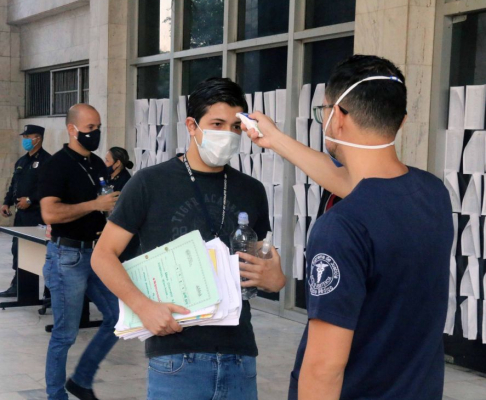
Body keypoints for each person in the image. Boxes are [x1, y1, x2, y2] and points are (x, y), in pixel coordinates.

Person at [245, 55, 453, 400]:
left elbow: (324, 369)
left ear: (337, 117)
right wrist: (276, 139)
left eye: (324, 111)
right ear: (400, 122)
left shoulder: (342, 227)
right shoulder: (432, 193)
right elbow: (350, 181)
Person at [91, 77, 286, 400]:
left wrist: (275, 280)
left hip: (240, 354)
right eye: (217, 124)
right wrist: (143, 306)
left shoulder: (252, 190)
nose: (228, 134)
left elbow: (262, 266)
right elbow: (103, 255)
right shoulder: (149, 183)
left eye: (235, 126)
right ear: (192, 126)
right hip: (175, 355)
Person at [38, 103, 121, 400]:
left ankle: (81, 380)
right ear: (72, 130)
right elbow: (49, 213)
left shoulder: (97, 164)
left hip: (96, 254)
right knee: (65, 334)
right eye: (89, 129)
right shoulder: (56, 165)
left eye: (98, 127)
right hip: (67, 257)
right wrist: (94, 206)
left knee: (118, 317)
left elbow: (104, 204)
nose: (95, 133)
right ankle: (56, 395)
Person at [0, 125, 51, 297]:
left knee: (40, 252)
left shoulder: (47, 161)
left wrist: (30, 200)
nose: (25, 140)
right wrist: (6, 203)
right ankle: (19, 285)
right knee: (18, 248)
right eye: (24, 136)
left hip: (37, 214)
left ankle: (49, 290)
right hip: (21, 215)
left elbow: (48, 187)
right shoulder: (21, 161)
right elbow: (14, 184)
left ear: (38, 138)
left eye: (28, 136)